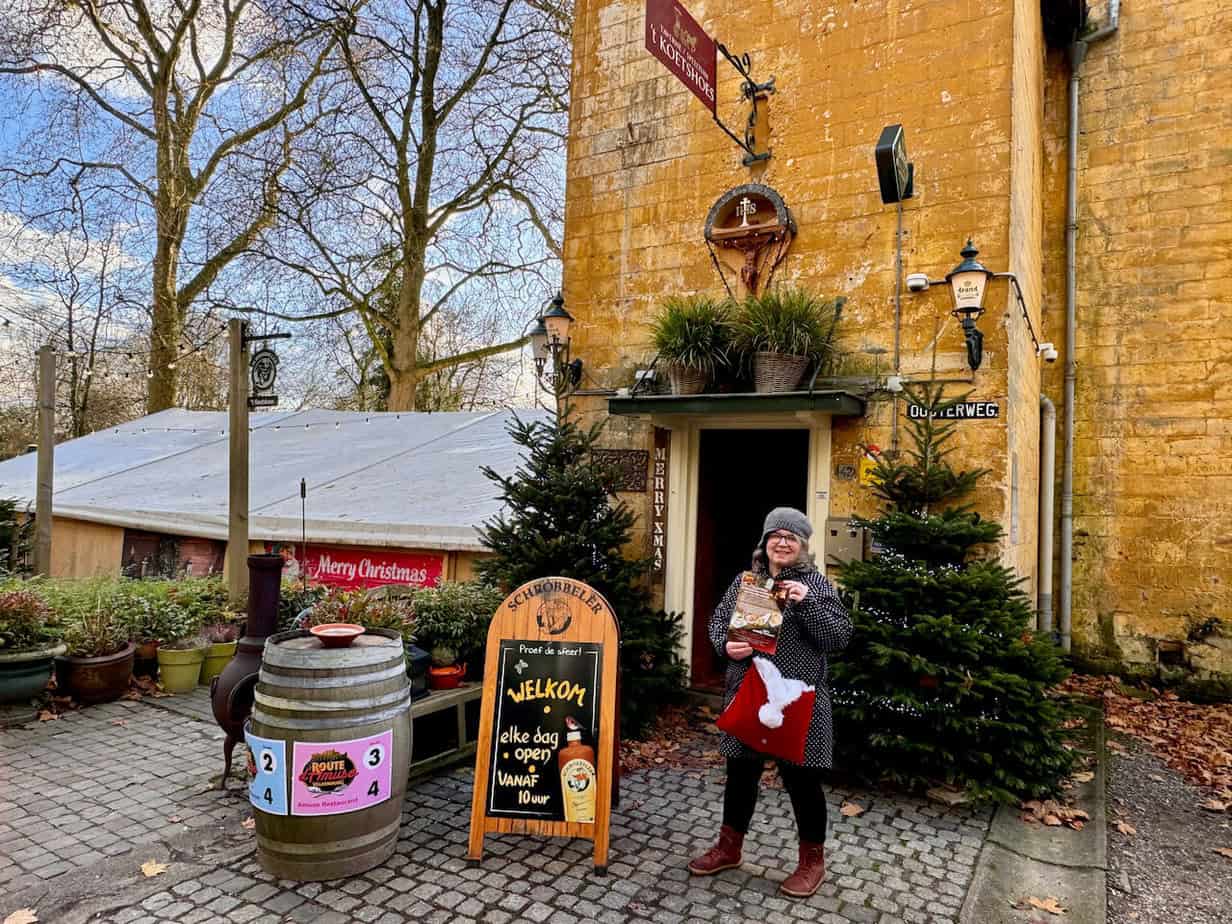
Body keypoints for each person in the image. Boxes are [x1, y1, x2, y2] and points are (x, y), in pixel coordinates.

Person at [688, 506, 852, 898]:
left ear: (801, 546)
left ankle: (813, 861)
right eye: (775, 535)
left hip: (797, 700)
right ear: (765, 542)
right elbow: (718, 623)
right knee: (741, 774)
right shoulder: (750, 582)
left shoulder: (816, 585)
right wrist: (725, 646)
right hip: (749, 694)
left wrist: (807, 601)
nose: (782, 542)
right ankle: (729, 847)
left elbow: (838, 638)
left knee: (802, 780)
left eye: (790, 538)